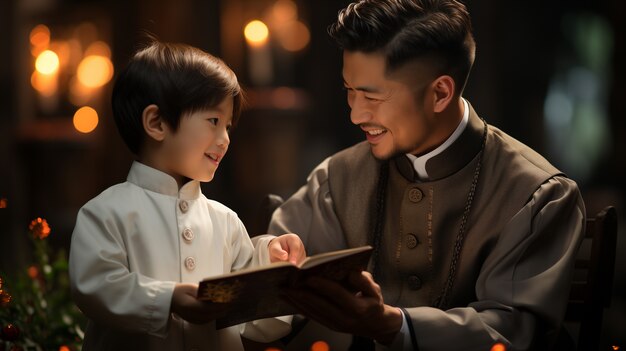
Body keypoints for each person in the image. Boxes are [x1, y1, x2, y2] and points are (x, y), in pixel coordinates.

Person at [261, 0, 586, 350]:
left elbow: (514, 331)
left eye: (372, 95)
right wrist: (267, 256)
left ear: (440, 93)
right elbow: (269, 285)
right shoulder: (337, 179)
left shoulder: (537, 193)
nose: (355, 114)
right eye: (349, 91)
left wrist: (392, 325)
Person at [68, 40, 305, 350]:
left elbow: (260, 322)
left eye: (228, 126)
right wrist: (166, 300)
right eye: (214, 121)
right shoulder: (105, 213)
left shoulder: (225, 221)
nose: (225, 139)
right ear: (157, 123)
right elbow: (95, 286)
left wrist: (272, 260)